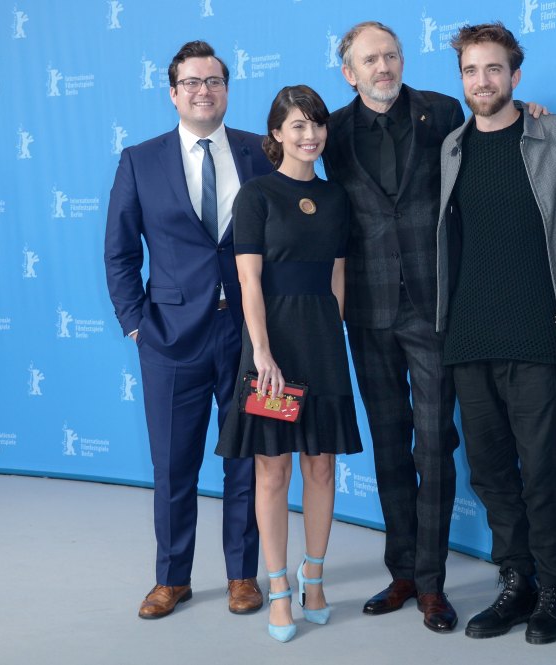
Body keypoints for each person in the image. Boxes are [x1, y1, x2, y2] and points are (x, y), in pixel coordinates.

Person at [104, 40, 271, 619]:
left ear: (227, 90)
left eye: (215, 81)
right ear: (173, 93)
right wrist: (135, 325)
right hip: (170, 339)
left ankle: (243, 575)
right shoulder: (139, 160)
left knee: (246, 458)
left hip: (248, 337)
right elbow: (120, 252)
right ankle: (171, 578)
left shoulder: (261, 152)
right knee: (173, 465)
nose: (204, 91)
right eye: (193, 82)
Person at [435, 22, 556, 646]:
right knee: (490, 472)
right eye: (471, 70)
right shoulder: (452, 146)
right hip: (470, 334)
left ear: (515, 76)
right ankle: (516, 581)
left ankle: (553, 590)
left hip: (539, 332)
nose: (482, 80)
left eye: (493, 68)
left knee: (542, 471)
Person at [321, 21, 464, 633]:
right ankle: (402, 571)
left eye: (391, 55)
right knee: (388, 443)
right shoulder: (331, 132)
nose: (384, 67)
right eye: (370, 60)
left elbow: (492, 139)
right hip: (368, 308)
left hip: (434, 305)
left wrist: (533, 112)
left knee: (434, 445)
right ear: (349, 73)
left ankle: (432, 583)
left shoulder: (444, 111)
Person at [215, 85, 363, 642]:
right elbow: (248, 280)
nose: (310, 135)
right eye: (298, 125)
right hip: (271, 348)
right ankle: (278, 587)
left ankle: (313, 577)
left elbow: (338, 274)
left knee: (321, 466)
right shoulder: (256, 195)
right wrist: (261, 353)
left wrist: (333, 334)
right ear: (276, 133)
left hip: (322, 343)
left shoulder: (336, 197)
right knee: (273, 468)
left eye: (317, 124)